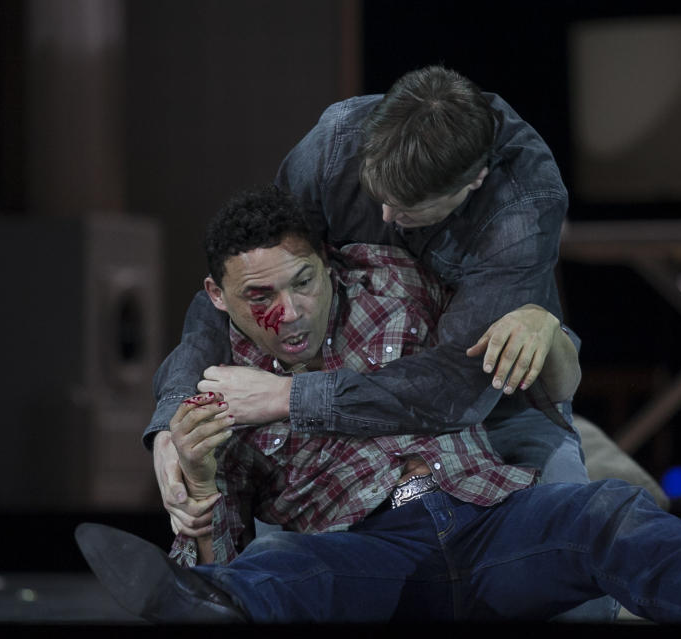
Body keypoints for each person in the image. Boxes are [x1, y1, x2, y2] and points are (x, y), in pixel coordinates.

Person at [77, 185, 681, 624]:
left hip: (485, 515)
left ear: (328, 261)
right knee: (284, 572)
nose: (292, 312)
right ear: (218, 298)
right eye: (260, 297)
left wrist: (538, 318)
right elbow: (219, 548)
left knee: (606, 513)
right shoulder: (219, 390)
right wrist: (202, 489)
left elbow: (509, 311)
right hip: (365, 549)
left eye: (304, 281)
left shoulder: (396, 282)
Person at [145, 66, 638, 542]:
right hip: (355, 386)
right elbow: (244, 275)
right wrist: (171, 419)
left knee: (571, 543)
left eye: (407, 211)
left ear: (473, 182)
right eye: (376, 195)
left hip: (486, 399)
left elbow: (457, 388)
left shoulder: (519, 205)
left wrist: (288, 398)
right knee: (286, 559)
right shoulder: (335, 145)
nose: (384, 216)